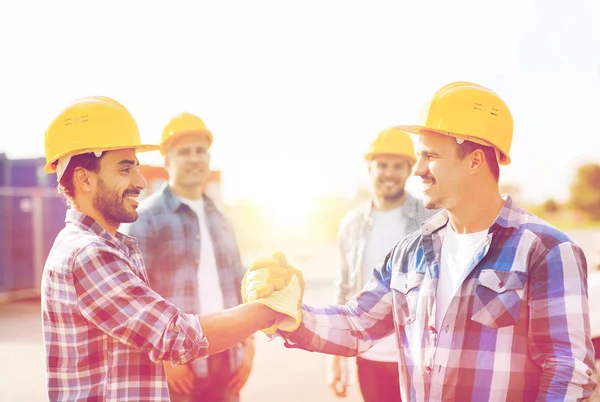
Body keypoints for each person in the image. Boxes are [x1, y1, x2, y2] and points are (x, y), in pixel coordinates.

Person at [243, 82, 597, 401]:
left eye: (431, 156)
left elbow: (568, 372)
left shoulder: (546, 250)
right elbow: (358, 324)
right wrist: (292, 315)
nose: (417, 170)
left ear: (475, 160)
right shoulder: (411, 251)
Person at [41, 96, 286, 401]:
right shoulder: (89, 254)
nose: (141, 181)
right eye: (124, 169)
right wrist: (269, 310)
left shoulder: (105, 245)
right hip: (184, 363)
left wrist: (246, 339)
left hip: (219, 361)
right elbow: (172, 336)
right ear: (84, 178)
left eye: (136, 168)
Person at [121, 112, 254, 402]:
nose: (194, 158)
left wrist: (249, 346)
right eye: (184, 152)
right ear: (167, 161)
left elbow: (239, 285)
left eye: (200, 151)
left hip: (226, 360)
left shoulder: (222, 217)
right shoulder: (145, 218)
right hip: (177, 363)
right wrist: (163, 359)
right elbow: (134, 298)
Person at [329, 127, 437, 401]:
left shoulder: (431, 215)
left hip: (420, 354)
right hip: (370, 355)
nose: (389, 173)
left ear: (410, 169)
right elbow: (343, 289)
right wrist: (335, 361)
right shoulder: (350, 225)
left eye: (397, 166)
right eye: (382, 165)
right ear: (369, 167)